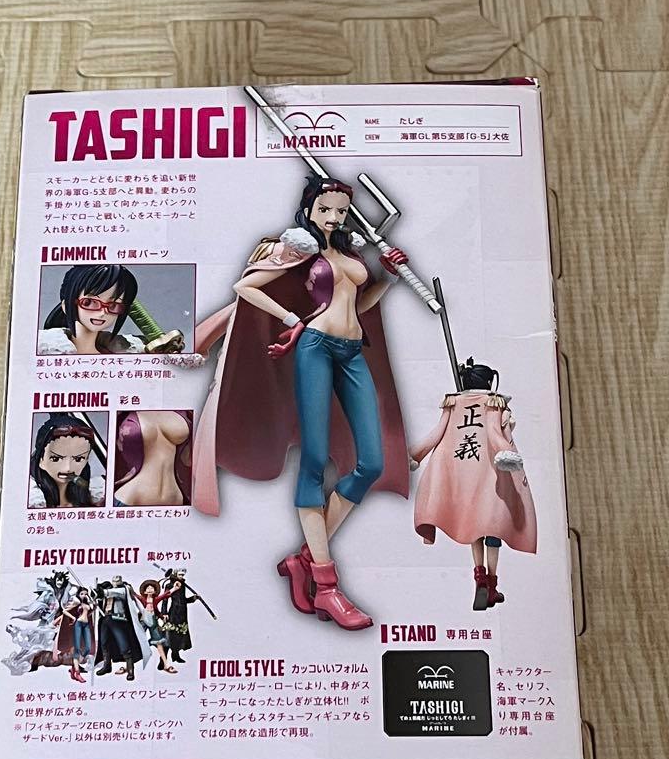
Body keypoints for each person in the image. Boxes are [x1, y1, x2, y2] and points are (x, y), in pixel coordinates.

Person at [192, 175, 410, 630]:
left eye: (340, 211)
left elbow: (360, 304)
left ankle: (303, 559)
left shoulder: (350, 254)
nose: (333, 217)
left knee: (370, 462)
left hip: (352, 351)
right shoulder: (298, 249)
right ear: (309, 209)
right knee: (314, 458)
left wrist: (388, 278)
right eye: (325, 209)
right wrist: (291, 317)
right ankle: (326, 586)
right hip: (315, 347)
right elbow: (247, 288)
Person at [408, 359, 537, 610]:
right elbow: (496, 434)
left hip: (462, 478)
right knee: (493, 528)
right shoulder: (494, 403)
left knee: (473, 526)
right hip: (491, 476)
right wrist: (507, 439)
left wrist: (416, 454)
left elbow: (436, 434)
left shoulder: (452, 403)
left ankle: (479, 579)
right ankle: (492, 584)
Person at [29, 413, 106, 509]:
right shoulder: (32, 501)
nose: (68, 468)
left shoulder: (96, 492)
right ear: (41, 460)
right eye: (56, 458)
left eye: (78, 459)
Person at [132, 580, 179, 673]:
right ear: (144, 591)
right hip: (144, 621)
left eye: (152, 588)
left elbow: (164, 595)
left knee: (159, 642)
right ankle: (128, 664)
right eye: (148, 588)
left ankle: (166, 664)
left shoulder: (155, 600)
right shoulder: (142, 599)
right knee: (135, 639)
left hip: (153, 621)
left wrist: (174, 588)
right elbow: (134, 595)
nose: (150, 589)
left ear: (155, 591)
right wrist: (129, 588)